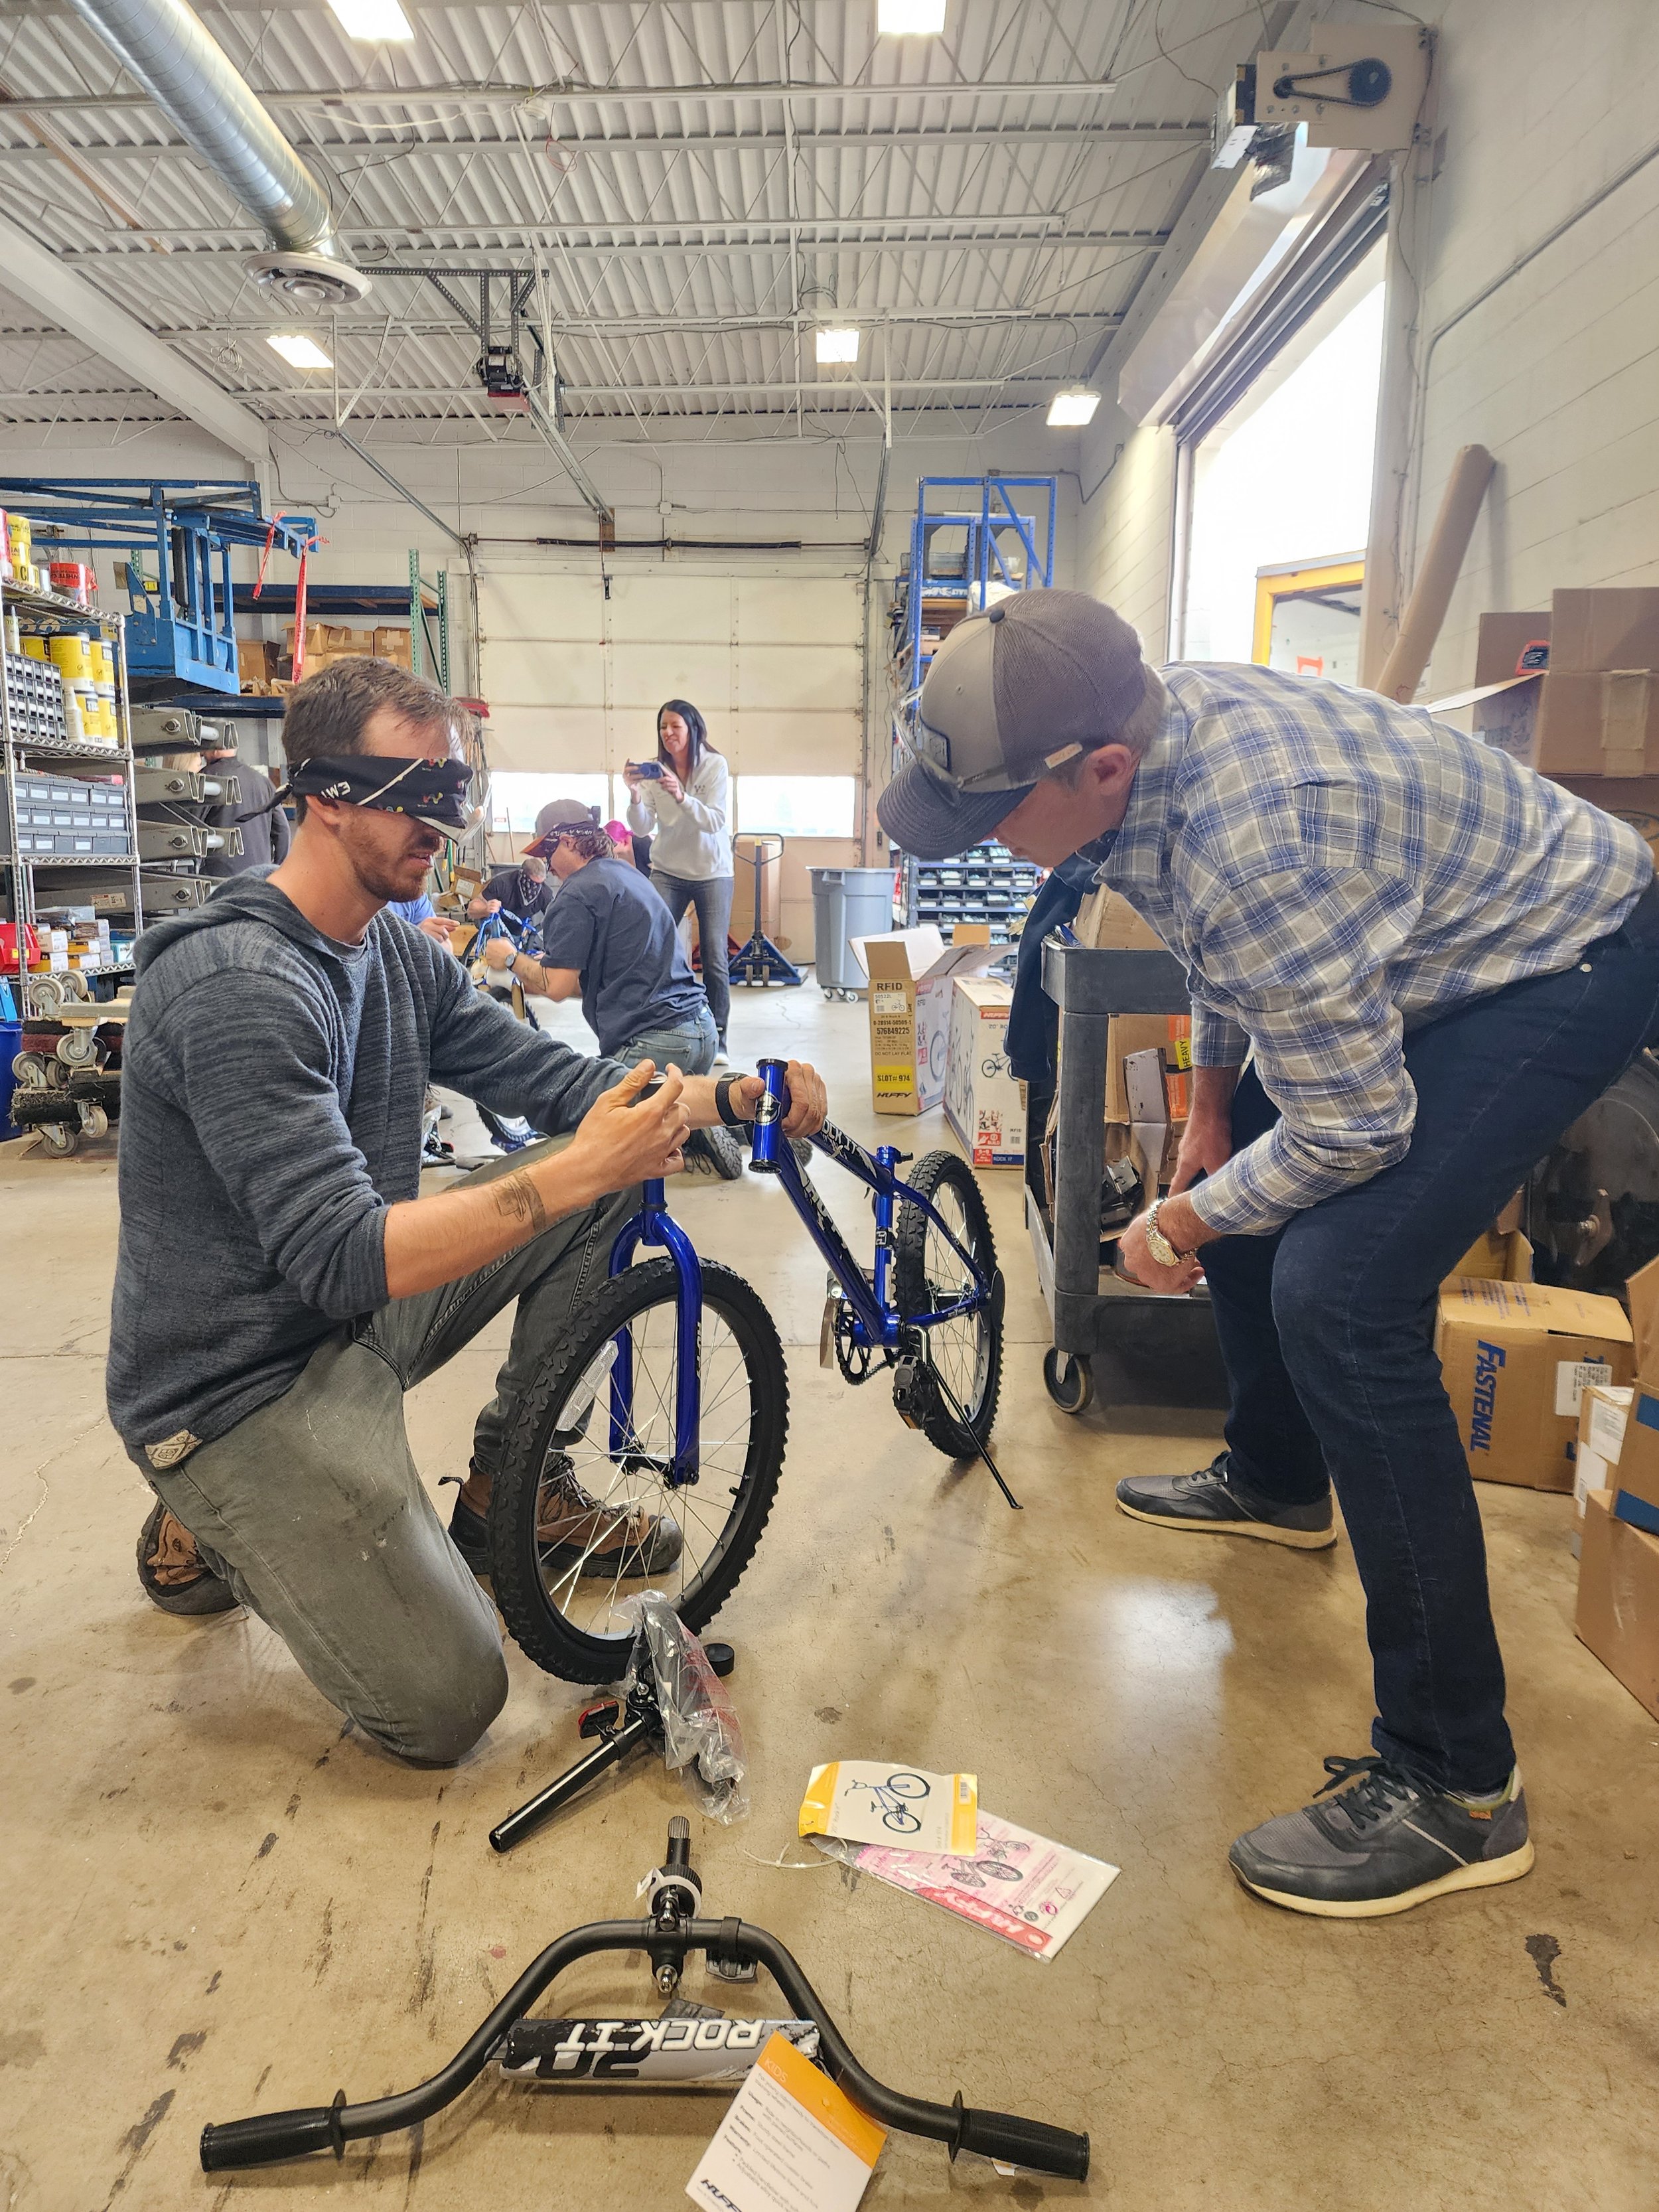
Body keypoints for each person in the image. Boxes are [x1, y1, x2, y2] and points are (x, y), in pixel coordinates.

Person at [878, 588, 1659, 1920]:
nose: (989, 846)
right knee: (1238, 1180)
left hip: (1564, 958)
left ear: (1098, 769)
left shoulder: (1261, 832)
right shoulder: (1141, 737)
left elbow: (1353, 1124)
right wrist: (1202, 1112)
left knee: (1337, 1288)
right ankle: (1281, 1480)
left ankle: (1456, 1779)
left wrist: (1176, 1221)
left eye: (995, 815)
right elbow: (1211, 941)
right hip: (1430, 935)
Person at [111, 656, 826, 1767]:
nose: (445, 823)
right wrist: (578, 1169)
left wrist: (729, 1092)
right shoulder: (241, 984)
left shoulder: (394, 952)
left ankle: (515, 1490)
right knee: (449, 1702)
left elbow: (567, 1090)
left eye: (456, 791)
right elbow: (346, 1253)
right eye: (418, 792)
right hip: (238, 1383)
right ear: (327, 792)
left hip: (349, 1317)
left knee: (599, 1173)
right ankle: (213, 1509)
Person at [483, 817, 741, 1176]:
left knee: (580, 1118)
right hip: (701, 1031)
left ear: (570, 843)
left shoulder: (574, 894)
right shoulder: (630, 876)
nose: (547, 864)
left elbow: (556, 989)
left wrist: (510, 958)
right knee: (649, 1103)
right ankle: (720, 1117)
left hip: (654, 1043)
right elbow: (580, 982)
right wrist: (535, 973)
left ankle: (691, 1133)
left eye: (548, 850)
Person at [624, 699, 735, 1064]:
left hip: (712, 873)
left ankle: (719, 1038)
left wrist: (680, 795)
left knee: (715, 956)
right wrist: (636, 794)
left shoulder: (715, 766)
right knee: (652, 947)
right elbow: (642, 828)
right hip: (668, 870)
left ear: (692, 729)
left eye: (675, 726)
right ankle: (655, 1026)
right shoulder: (656, 771)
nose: (668, 734)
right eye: (663, 727)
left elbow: (715, 822)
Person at [468, 849, 557, 927]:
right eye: (532, 882)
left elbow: (555, 918)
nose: (535, 887)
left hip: (518, 930)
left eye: (539, 883)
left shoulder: (545, 894)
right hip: (495, 927)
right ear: (522, 875)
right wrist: (486, 909)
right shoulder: (502, 883)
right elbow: (472, 909)